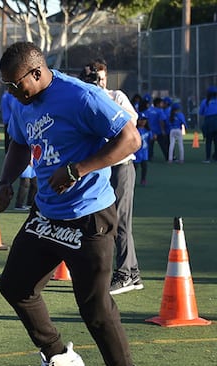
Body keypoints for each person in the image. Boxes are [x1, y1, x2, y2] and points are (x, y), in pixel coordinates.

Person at [0, 42, 149, 366]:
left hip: (90, 215)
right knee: (15, 285)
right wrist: (6, 180)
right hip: (47, 212)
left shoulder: (81, 96)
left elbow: (131, 140)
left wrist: (79, 168)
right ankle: (57, 354)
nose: (12, 94)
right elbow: (18, 141)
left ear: (36, 73)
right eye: (7, 88)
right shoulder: (19, 101)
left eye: (16, 86)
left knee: (95, 309)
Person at [81, 59, 143, 296]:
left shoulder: (116, 96)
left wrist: (102, 97)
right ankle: (131, 272)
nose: (100, 83)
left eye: (103, 78)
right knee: (103, 221)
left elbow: (130, 122)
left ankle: (126, 273)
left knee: (122, 221)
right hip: (102, 168)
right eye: (96, 79)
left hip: (121, 166)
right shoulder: (86, 99)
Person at [143, 97, 168, 161]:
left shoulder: (149, 110)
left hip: (151, 131)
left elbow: (145, 119)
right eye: (161, 103)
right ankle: (167, 157)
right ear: (158, 104)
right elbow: (161, 121)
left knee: (150, 145)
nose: (162, 104)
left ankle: (149, 157)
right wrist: (163, 130)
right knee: (163, 145)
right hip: (158, 131)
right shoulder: (160, 111)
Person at [198, 86, 217, 163]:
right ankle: (216, 158)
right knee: (216, 141)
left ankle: (208, 158)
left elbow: (201, 113)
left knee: (208, 141)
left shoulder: (204, 101)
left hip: (208, 122)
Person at [134, 113, 152, 185]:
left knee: (144, 167)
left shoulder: (147, 130)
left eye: (144, 120)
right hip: (136, 152)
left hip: (144, 152)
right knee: (135, 167)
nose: (143, 122)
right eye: (141, 120)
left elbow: (150, 140)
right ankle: (132, 180)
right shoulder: (135, 130)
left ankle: (143, 179)